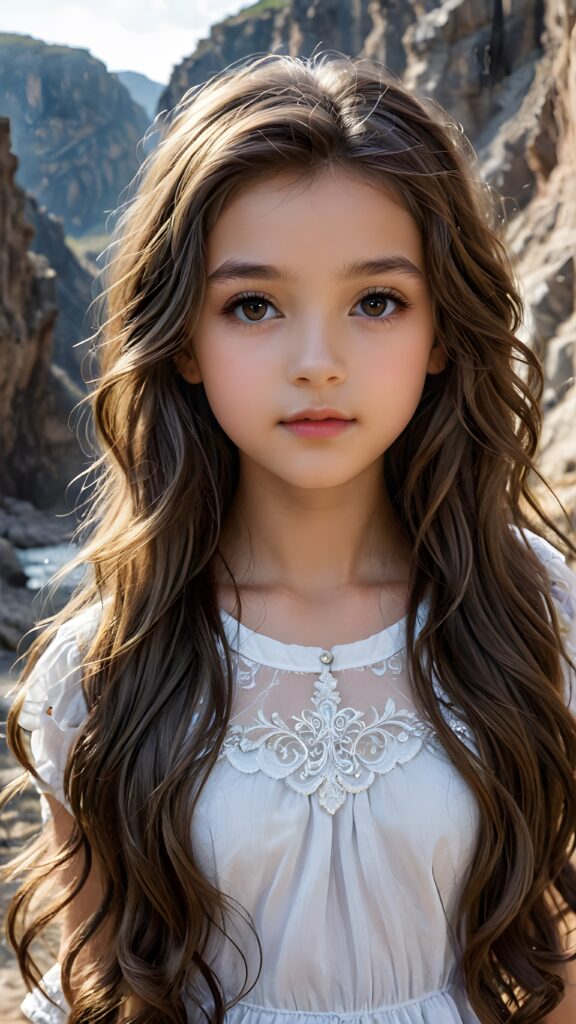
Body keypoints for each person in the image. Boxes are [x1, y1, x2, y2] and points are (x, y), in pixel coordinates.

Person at [2, 50, 576, 1024]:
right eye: (255, 305)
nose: (319, 362)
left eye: (376, 301)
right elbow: (101, 990)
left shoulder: (536, 611)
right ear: (185, 337)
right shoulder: (104, 666)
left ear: (442, 330)